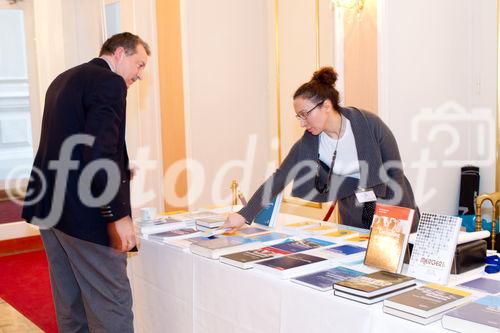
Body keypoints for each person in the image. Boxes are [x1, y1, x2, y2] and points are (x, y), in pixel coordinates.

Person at [22, 32, 150, 332]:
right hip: (84, 215)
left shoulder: (65, 78)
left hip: (50, 209)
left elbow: (73, 141)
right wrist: (117, 216)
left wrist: (121, 164)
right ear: (119, 53)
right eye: (139, 64)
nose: (140, 74)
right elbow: (100, 153)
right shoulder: (110, 83)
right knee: (111, 304)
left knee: (71, 303)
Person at [222, 66, 419, 232]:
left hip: (393, 204)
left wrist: (392, 218)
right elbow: (280, 177)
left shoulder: (368, 124)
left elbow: (395, 172)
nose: (302, 123)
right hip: (353, 212)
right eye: (298, 117)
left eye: (305, 114)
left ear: (326, 105)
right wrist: (244, 215)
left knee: (399, 268)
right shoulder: (309, 143)